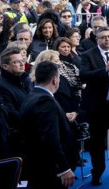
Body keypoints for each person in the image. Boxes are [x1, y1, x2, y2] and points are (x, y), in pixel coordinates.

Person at [80, 26, 109, 182]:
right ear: (97, 39)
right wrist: (104, 70)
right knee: (97, 142)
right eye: (103, 37)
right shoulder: (88, 55)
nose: (107, 39)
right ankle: (98, 171)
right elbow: (83, 75)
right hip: (98, 106)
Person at [20, 61, 78, 189]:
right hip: (49, 170)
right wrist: (63, 169)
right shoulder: (45, 101)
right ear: (55, 80)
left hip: (39, 166)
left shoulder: (32, 96)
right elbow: (50, 138)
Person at [0, 46, 31, 150]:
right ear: (5, 66)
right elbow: (11, 114)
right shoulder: (0, 86)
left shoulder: (25, 80)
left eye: (22, 60)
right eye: (16, 62)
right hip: (19, 139)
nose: (21, 64)